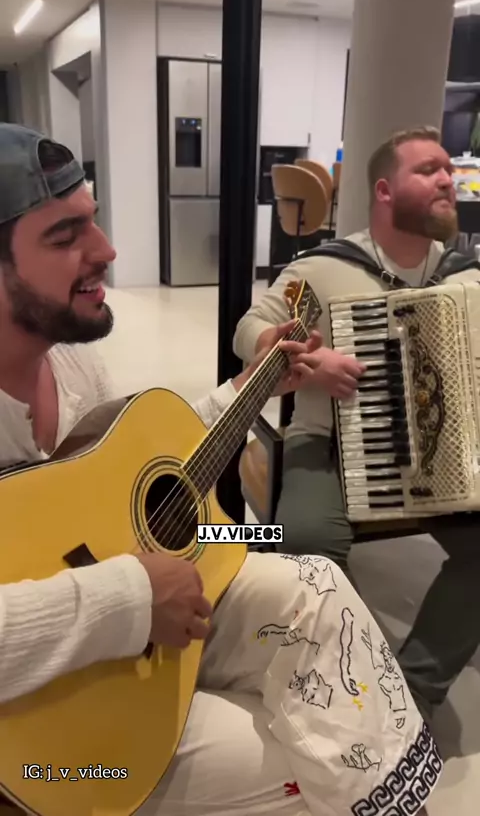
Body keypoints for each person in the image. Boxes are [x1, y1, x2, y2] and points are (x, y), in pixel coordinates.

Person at [0, 123, 437, 816]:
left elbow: (121, 474)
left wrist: (249, 388)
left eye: (94, 219)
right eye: (64, 236)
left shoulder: (70, 358)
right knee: (309, 761)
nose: (107, 250)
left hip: (159, 594)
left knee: (314, 585)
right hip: (43, 736)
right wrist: (132, 598)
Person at [233, 125, 480, 725]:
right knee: (305, 544)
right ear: (384, 190)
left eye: (448, 169)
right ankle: (353, 683)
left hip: (445, 456)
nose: (447, 179)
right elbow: (250, 327)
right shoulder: (324, 270)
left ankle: (412, 693)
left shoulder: (466, 277)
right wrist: (305, 360)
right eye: (428, 169)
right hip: (329, 444)